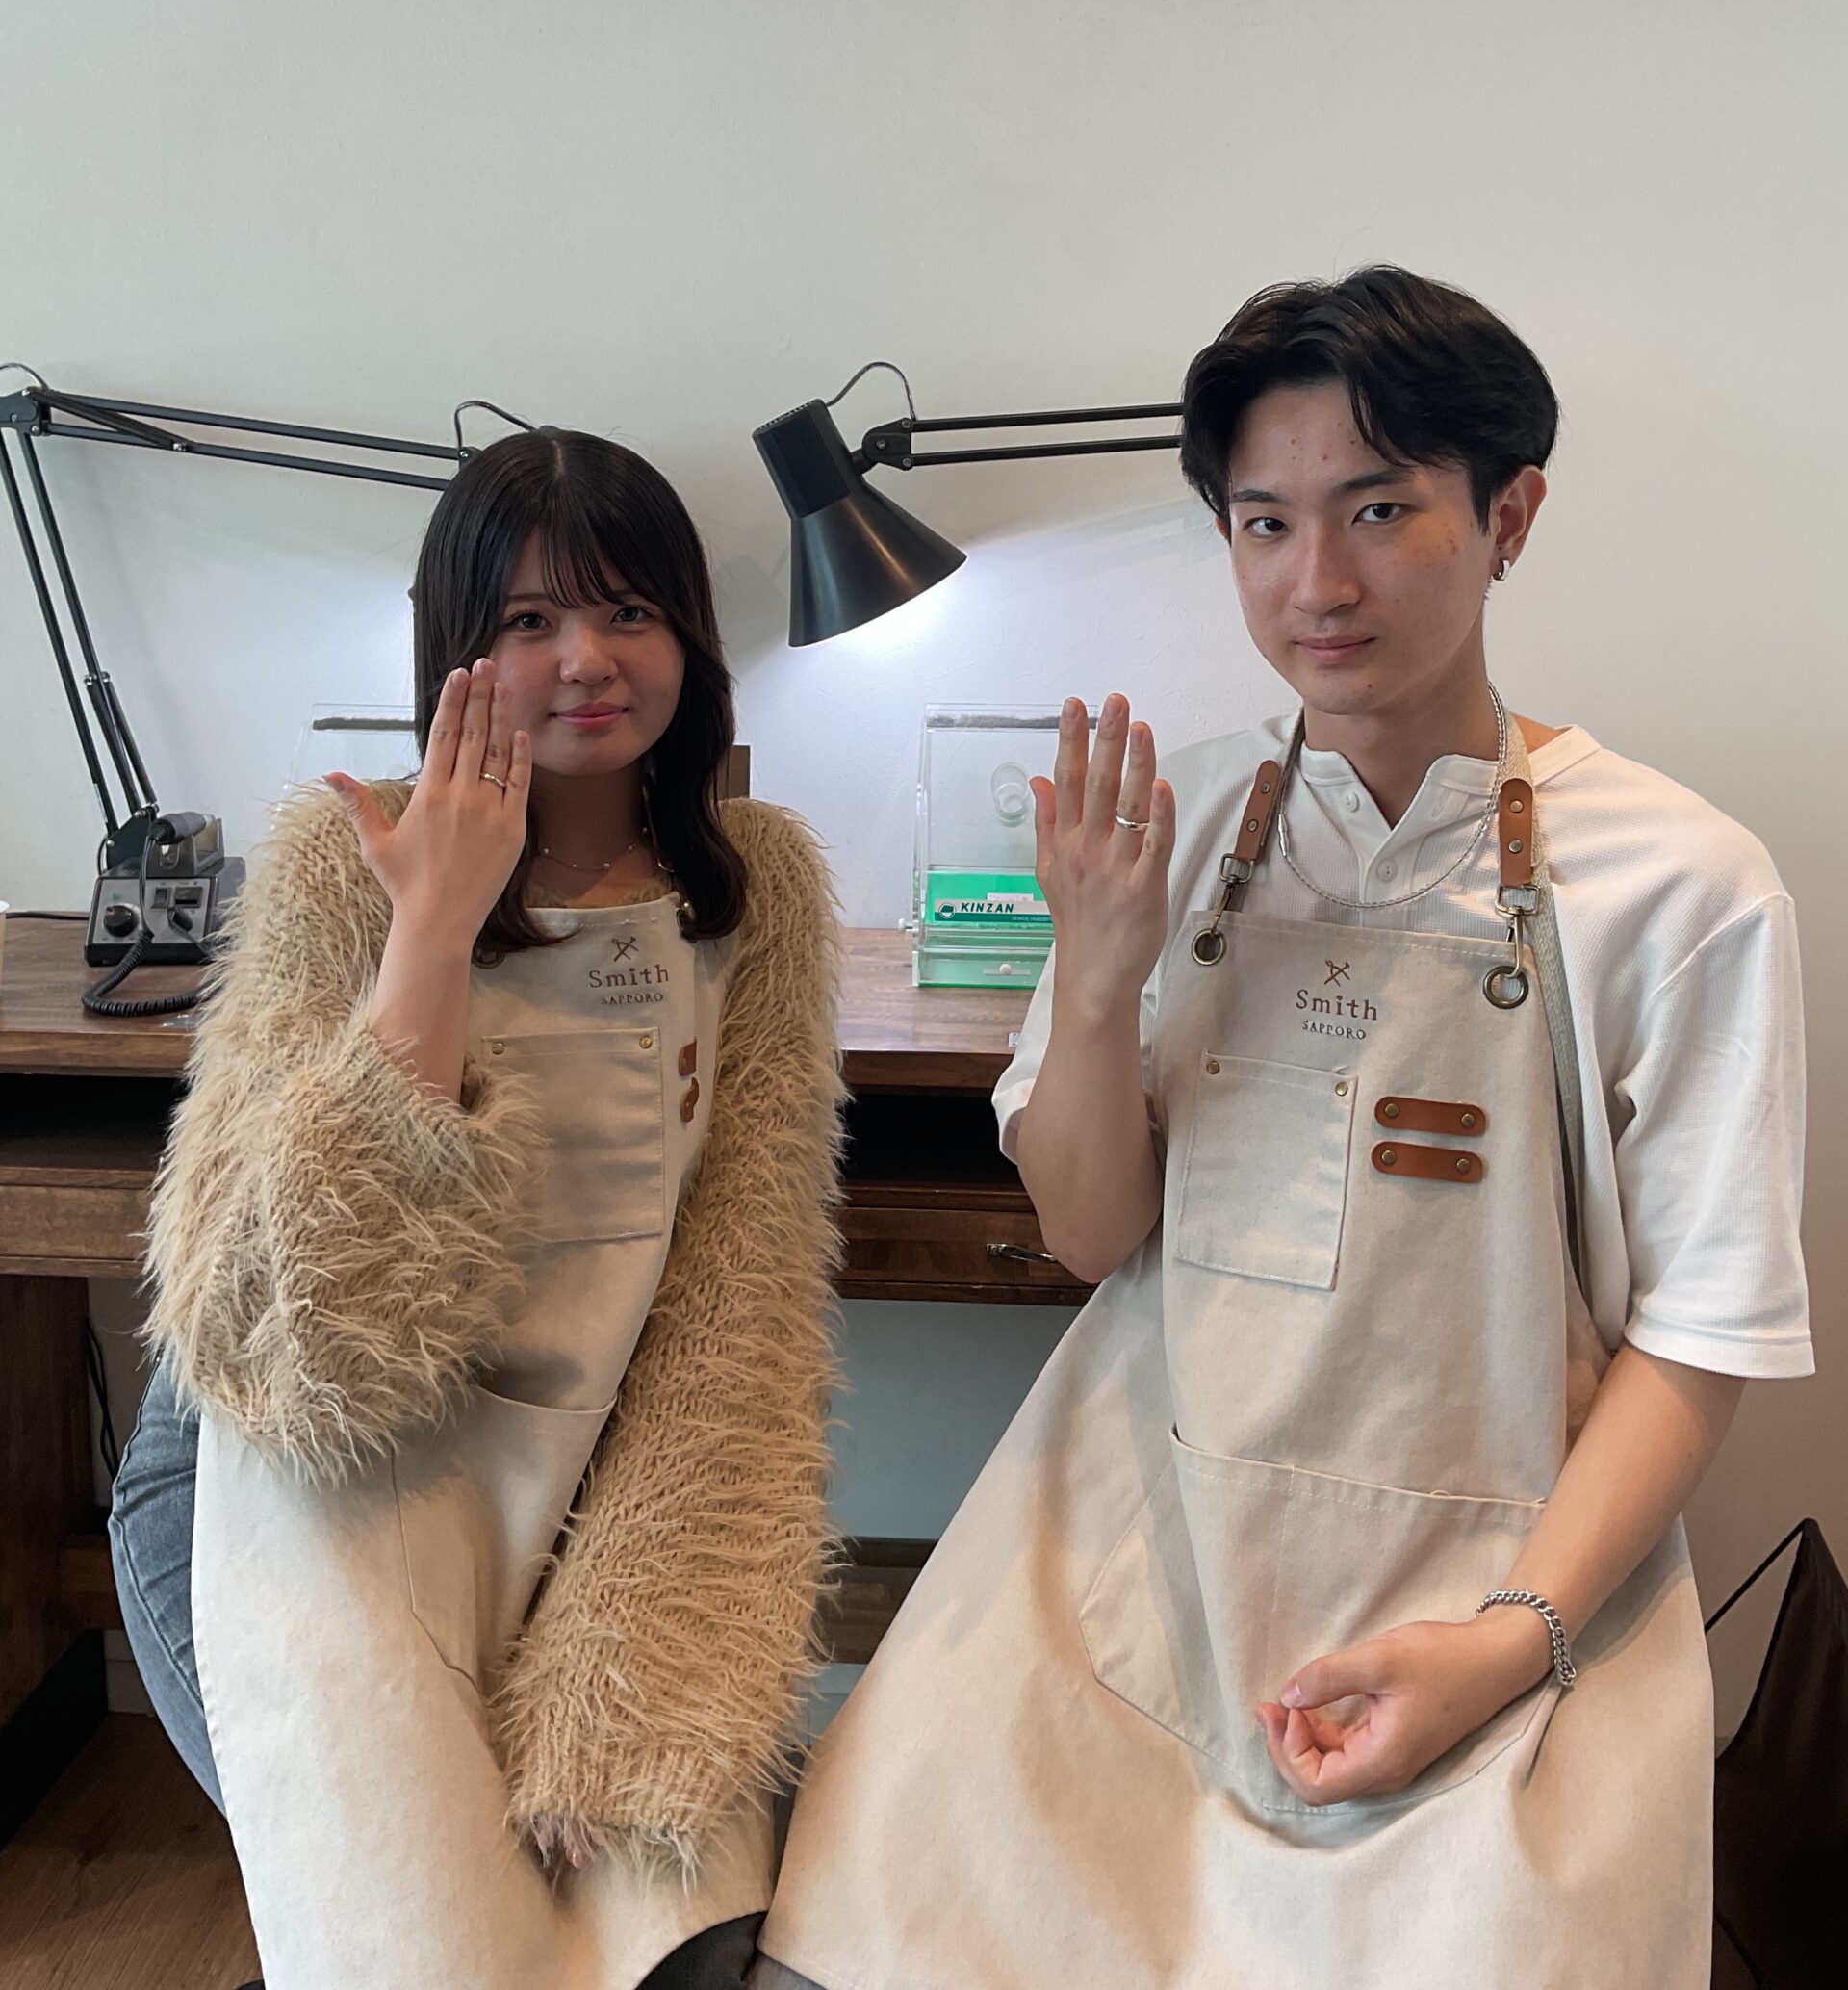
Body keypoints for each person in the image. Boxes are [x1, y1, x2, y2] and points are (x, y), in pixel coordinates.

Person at [757, 267, 1810, 1990]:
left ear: (1509, 518)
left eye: (1379, 511)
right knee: (900, 1902)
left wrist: (1506, 1644)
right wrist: (1100, 972)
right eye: (1265, 523)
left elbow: (1704, 1338)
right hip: (1142, 1560)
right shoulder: (1163, 829)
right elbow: (1092, 1235)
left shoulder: (1683, 885)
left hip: (1502, 1588)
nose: (1316, 581)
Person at [111, 427, 845, 1990]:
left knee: (691, 1947)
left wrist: (630, 1658)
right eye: (526, 621)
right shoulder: (344, 860)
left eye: (628, 611)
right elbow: (291, 1336)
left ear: (690, 639)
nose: (585, 660)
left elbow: (743, 1295)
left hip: (594, 1493)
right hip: (328, 1491)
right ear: (457, 647)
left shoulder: (759, 882)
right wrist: (432, 933)